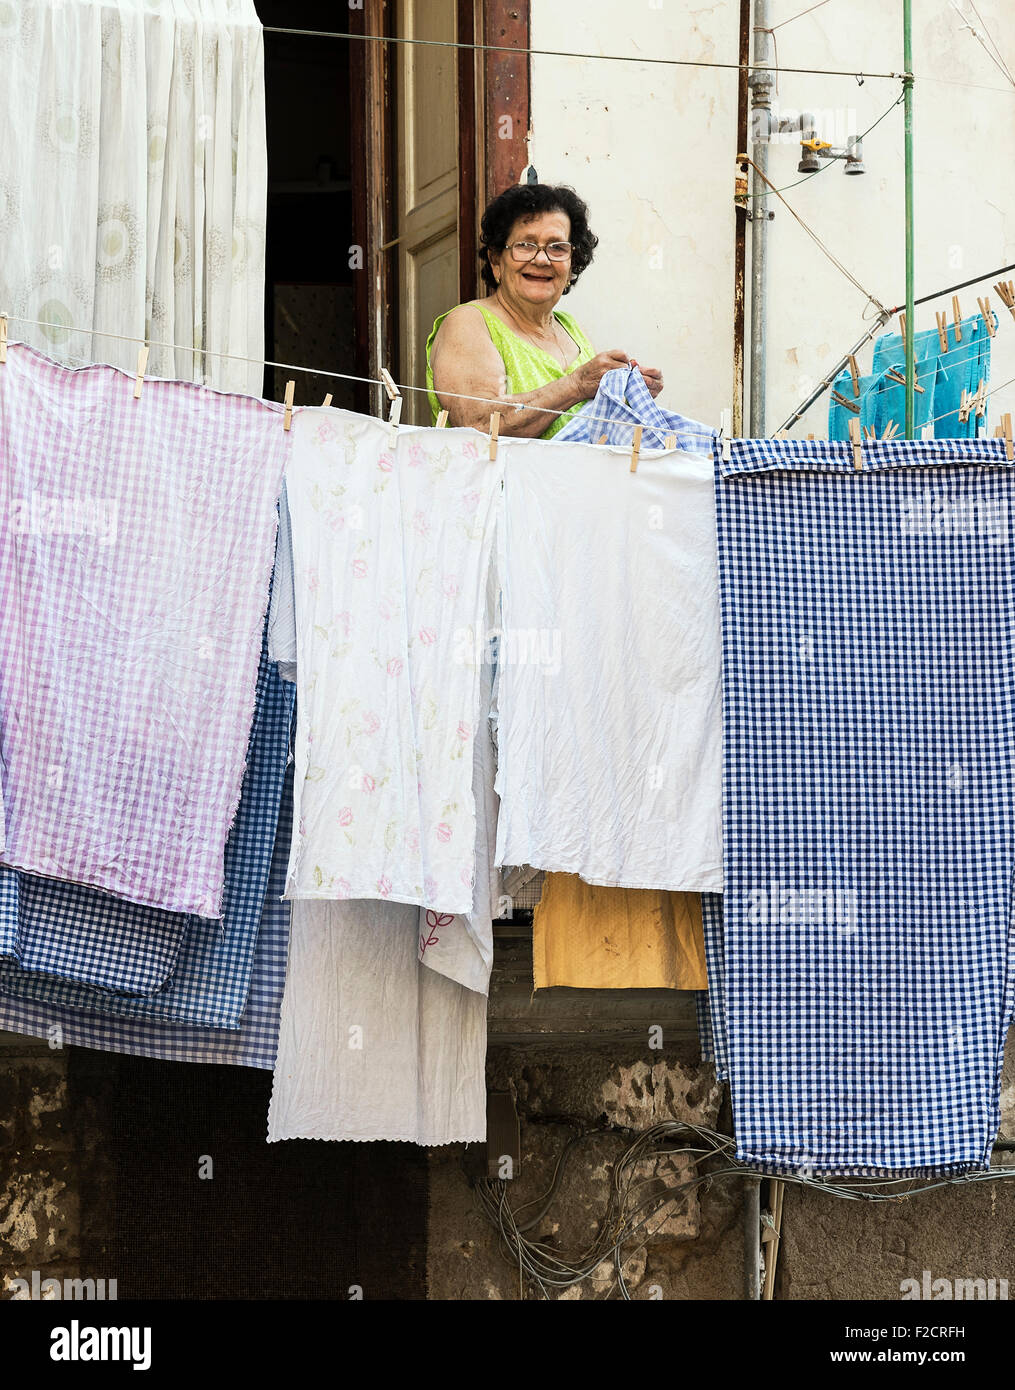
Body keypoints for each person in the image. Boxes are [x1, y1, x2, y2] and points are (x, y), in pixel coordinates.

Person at [425, 183, 663, 439]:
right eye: (525, 245)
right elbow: (479, 424)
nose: (541, 259)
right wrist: (577, 385)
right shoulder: (469, 322)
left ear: (572, 264)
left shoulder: (570, 328)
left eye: (557, 247)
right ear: (496, 261)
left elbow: (589, 425)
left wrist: (626, 394)